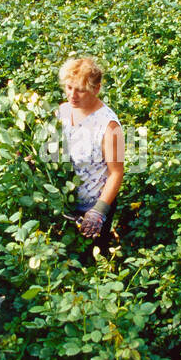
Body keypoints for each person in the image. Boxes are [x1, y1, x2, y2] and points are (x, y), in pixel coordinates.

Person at [56, 56, 124, 258]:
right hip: (66, 204)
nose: (72, 95)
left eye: (80, 90)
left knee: (94, 256)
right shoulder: (63, 111)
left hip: (94, 205)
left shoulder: (109, 126)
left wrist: (98, 211)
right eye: (69, 87)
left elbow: (116, 173)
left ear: (96, 89)